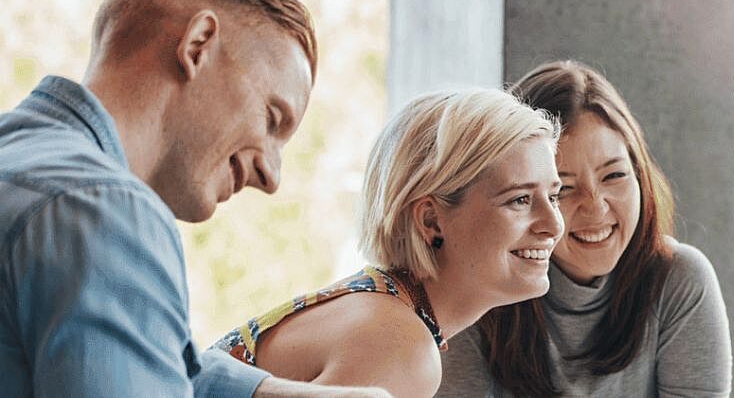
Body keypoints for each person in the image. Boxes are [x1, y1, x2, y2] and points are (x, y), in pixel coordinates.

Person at [0, 0, 382, 397]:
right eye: (272, 118)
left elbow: (135, 362)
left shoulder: (27, 169)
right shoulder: (105, 210)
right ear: (198, 44)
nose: (271, 177)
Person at [210, 88, 564, 397]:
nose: (554, 225)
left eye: (554, 196)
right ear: (430, 220)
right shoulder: (400, 347)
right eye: (519, 200)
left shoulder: (382, 308)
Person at [437, 60, 732, 397]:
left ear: (640, 176)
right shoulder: (476, 288)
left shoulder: (679, 278)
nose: (595, 206)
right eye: (562, 188)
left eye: (614, 176)